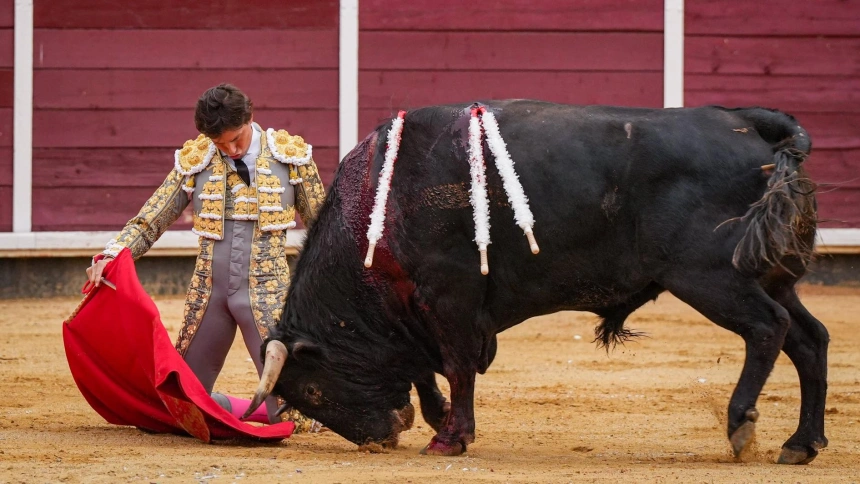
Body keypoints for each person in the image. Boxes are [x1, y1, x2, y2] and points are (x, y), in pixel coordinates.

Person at [85, 83, 326, 431]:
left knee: (295, 420)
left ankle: (260, 408)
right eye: (219, 143)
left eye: (236, 139)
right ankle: (229, 406)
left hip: (268, 294)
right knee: (180, 406)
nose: (231, 150)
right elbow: (151, 219)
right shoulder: (197, 159)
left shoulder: (291, 157)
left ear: (250, 117)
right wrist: (113, 254)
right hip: (208, 293)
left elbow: (324, 229)